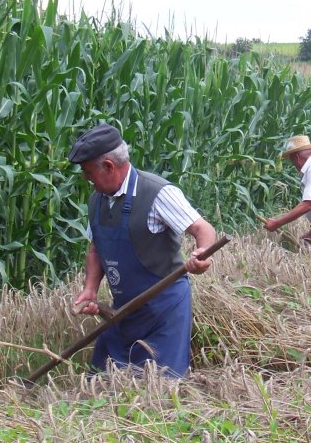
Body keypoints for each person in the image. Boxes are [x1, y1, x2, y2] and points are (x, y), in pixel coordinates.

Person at [69, 122, 217, 377]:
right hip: (123, 311)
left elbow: (202, 229)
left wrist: (202, 255)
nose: (86, 177)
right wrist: (90, 289)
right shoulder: (96, 200)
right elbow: (96, 249)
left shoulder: (158, 192)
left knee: (161, 386)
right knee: (102, 382)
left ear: (108, 166)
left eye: (88, 171)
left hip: (163, 310)